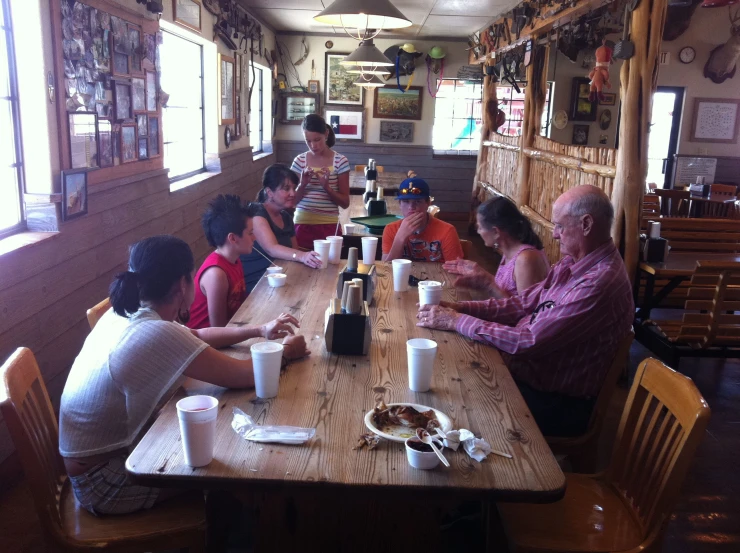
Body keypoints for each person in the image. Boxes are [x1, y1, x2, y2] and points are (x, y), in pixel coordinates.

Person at [59, 235, 310, 515]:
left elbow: (199, 334)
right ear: (182, 284)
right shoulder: (156, 332)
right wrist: (285, 351)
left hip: (97, 463)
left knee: (216, 440)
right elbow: (244, 375)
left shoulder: (126, 312)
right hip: (106, 482)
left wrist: (259, 330)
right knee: (239, 471)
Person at [417, 185, 634, 437]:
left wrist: (456, 321)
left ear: (586, 224)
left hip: (558, 403)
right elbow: (522, 303)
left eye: (560, 227)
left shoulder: (598, 282)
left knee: (454, 402)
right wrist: (460, 308)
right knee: (449, 377)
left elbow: (528, 341)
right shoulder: (572, 264)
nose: (554, 235)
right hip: (530, 377)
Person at [443, 196, 550, 298]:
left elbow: (527, 311)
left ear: (495, 232)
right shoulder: (510, 253)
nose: (478, 232)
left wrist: (488, 284)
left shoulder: (526, 259)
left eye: (480, 227)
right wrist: (481, 273)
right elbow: (509, 293)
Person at [241, 164, 322, 292]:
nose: (293, 193)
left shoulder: (285, 216)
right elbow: (272, 248)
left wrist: (307, 257)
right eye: (286, 188)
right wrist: (303, 256)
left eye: (294, 188)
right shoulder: (257, 212)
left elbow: (294, 251)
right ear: (269, 192)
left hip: (279, 282)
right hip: (256, 285)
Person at [187, 194, 255, 329]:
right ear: (233, 239)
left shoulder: (234, 259)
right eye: (250, 233)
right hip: (208, 344)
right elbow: (218, 329)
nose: (255, 237)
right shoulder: (216, 274)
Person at [290, 114, 350, 249]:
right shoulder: (299, 161)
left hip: (329, 224)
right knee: (301, 266)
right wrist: (303, 184)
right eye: (308, 141)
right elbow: (292, 202)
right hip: (302, 223)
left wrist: (327, 187)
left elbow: (345, 203)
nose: (313, 145)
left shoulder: (340, 161)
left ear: (326, 134)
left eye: (317, 139)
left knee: (330, 266)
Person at [381, 177, 464, 262]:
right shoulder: (391, 229)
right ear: (400, 204)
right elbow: (386, 269)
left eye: (417, 201)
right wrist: (400, 237)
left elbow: (456, 269)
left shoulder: (447, 231)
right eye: (406, 201)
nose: (411, 207)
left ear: (428, 203)